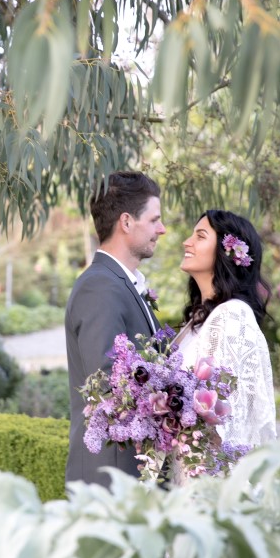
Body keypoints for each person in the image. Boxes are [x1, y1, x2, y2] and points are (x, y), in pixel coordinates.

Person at [65, 170, 165, 485]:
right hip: (111, 476)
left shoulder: (119, 284)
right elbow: (109, 385)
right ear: (125, 222)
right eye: (154, 220)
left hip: (130, 474)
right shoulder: (100, 288)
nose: (161, 229)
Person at [175, 209, 277, 453]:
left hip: (209, 473)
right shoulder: (200, 317)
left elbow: (232, 415)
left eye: (200, 236)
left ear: (226, 252)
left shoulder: (233, 316)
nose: (186, 242)